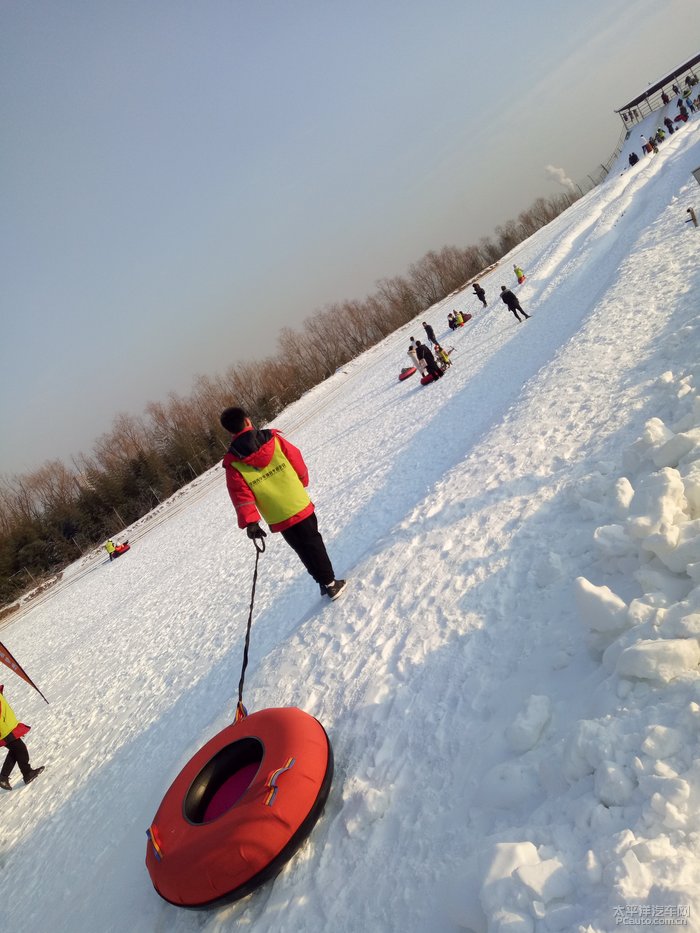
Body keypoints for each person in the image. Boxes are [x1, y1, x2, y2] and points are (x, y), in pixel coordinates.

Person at [220, 407, 346, 600]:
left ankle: (322, 581)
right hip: (297, 503)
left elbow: (240, 494)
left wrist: (251, 522)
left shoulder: (234, 462)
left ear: (230, 432)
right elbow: (296, 459)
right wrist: (302, 480)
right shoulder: (273, 439)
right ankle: (330, 583)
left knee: (302, 548)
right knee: (313, 543)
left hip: (277, 514)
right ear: (247, 421)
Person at [0, 685, 44, 790]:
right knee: (21, 749)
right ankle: (27, 773)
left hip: (7, 727)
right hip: (4, 730)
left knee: (16, 751)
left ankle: (4, 777)